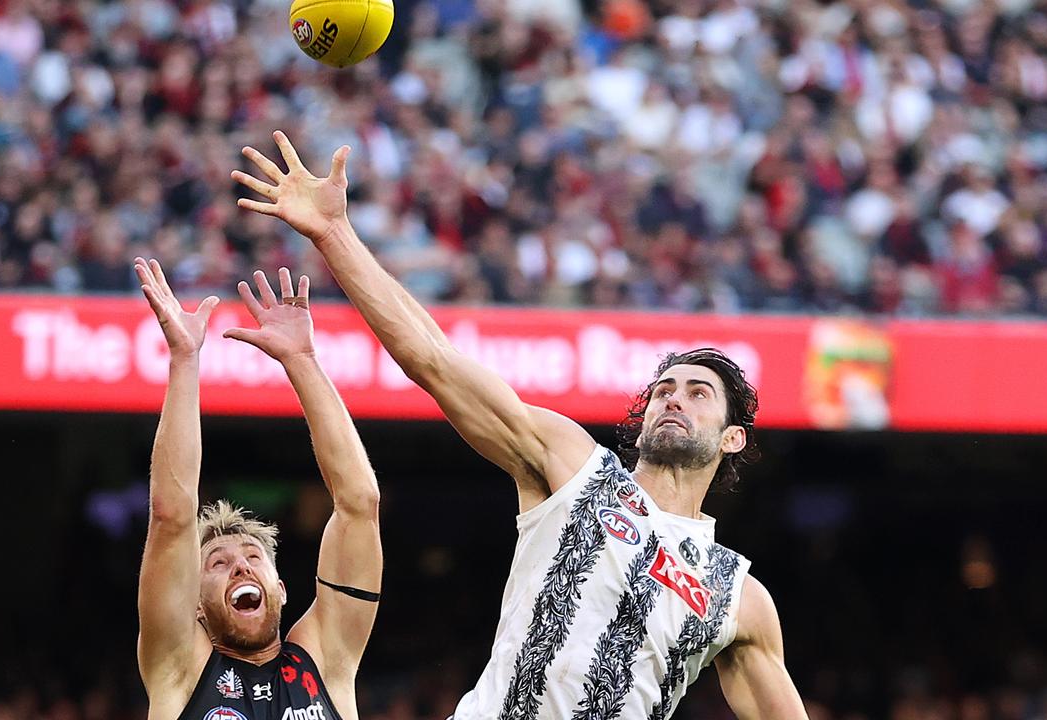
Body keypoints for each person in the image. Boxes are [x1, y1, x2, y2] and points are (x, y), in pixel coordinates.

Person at [232, 132, 808, 719]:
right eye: (664, 389)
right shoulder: (577, 472)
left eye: (697, 393)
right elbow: (434, 360)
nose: (673, 400)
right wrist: (335, 235)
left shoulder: (737, 595)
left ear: (732, 438)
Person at [134, 257, 382, 720]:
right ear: (197, 607)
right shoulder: (179, 670)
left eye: (253, 558)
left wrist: (303, 361)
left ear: (282, 589)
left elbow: (358, 504)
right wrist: (185, 361)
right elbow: (172, 515)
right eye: (219, 563)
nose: (241, 569)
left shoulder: (325, 661)